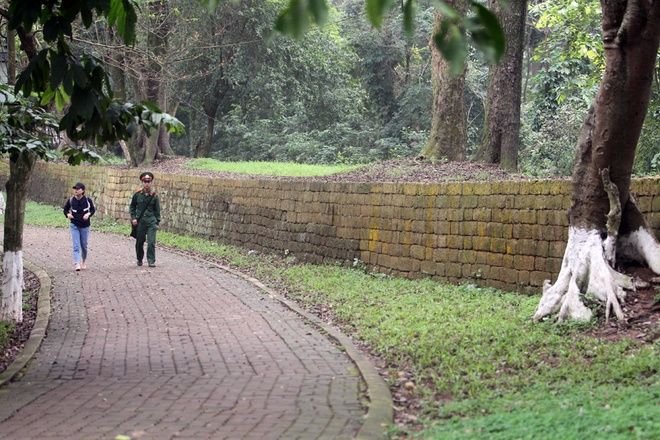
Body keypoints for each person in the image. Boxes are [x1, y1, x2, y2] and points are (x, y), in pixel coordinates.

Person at [129, 172, 161, 267]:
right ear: (142, 182)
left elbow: (157, 210)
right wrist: (134, 218)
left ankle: (151, 261)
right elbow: (132, 207)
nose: (147, 183)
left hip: (151, 222)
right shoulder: (137, 195)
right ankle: (139, 258)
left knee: (151, 242)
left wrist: (157, 222)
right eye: (145, 181)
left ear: (151, 182)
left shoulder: (154, 196)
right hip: (140, 222)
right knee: (139, 242)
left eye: (149, 181)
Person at [63, 182, 96, 271]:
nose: (76, 191)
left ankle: (83, 261)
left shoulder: (88, 200)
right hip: (74, 225)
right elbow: (65, 209)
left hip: (85, 226)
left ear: (83, 190)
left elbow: (93, 209)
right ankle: (77, 263)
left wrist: (88, 214)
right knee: (76, 245)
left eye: (78, 189)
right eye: (75, 189)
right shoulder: (71, 200)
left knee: (84, 245)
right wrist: (68, 215)